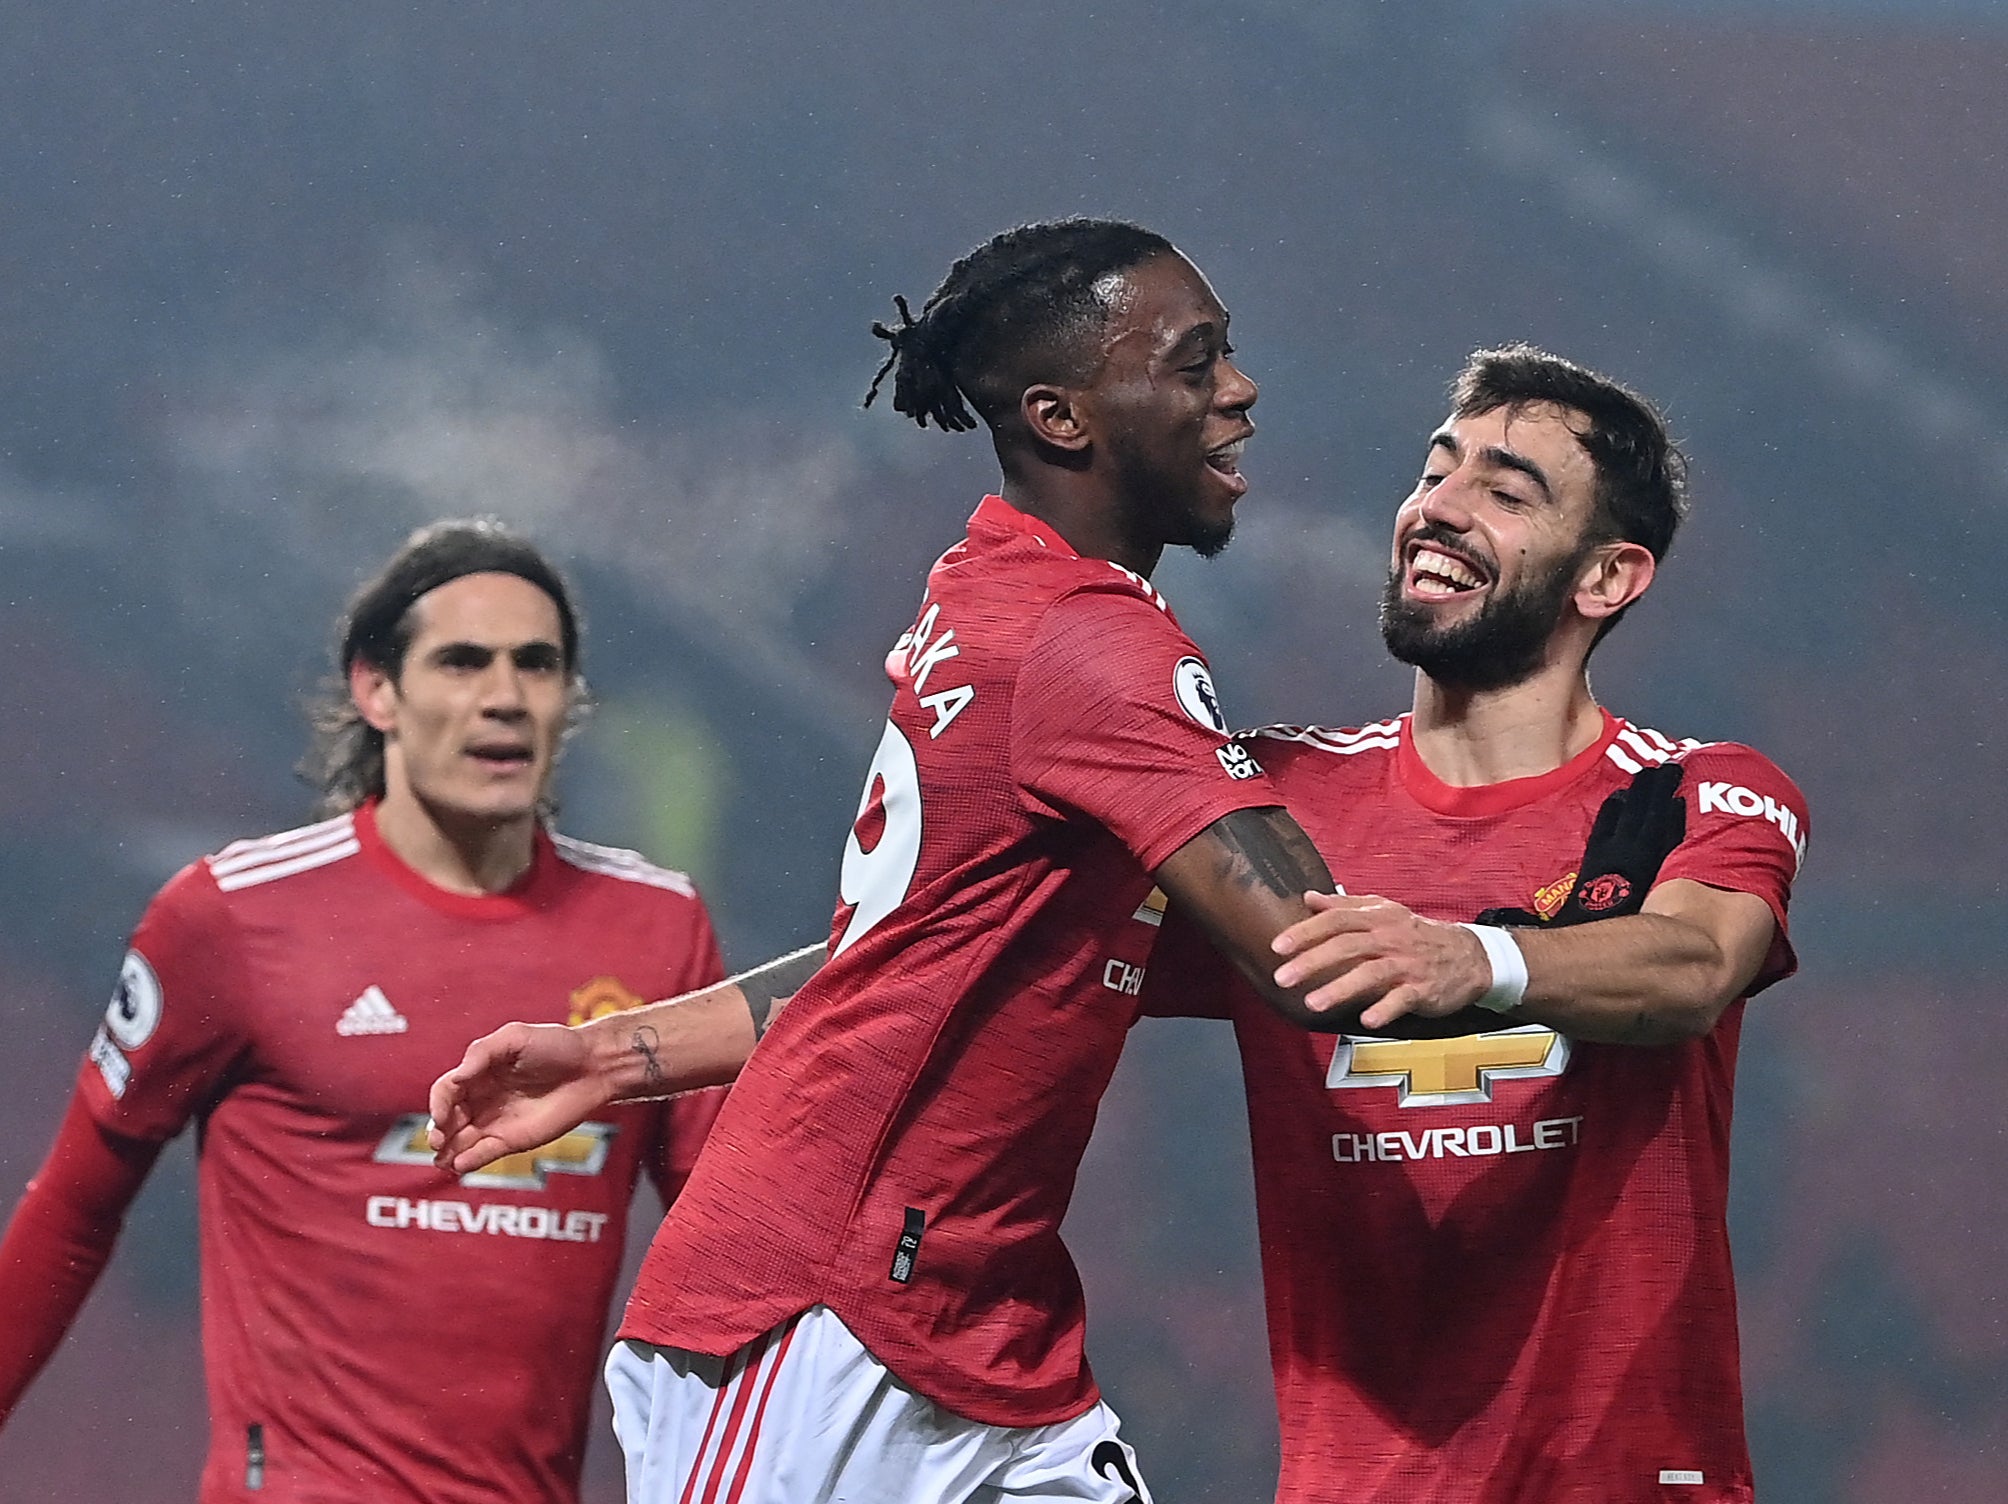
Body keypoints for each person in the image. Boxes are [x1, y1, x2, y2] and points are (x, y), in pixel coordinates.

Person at [428, 219, 1520, 1504]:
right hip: (813, 1321)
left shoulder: (988, 581)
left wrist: (617, 1054)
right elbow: (1303, 952)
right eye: (1193, 362)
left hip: (983, 1327)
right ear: (1062, 417)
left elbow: (903, 949)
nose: (1239, 391)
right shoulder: (1085, 647)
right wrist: (1534, 941)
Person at [1143, 344, 1807, 1503]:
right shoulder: (1266, 800)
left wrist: (1474, 957)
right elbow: (969, 954)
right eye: (1434, 471)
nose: (1435, 510)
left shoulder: (1695, 789)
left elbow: (1696, 964)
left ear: (1607, 578)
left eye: (1504, 494)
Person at [0, 519, 729, 1503]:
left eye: (537, 664)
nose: (504, 696)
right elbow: (75, 1208)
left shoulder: (658, 925)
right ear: (375, 689)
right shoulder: (231, 914)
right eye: (463, 661)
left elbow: (726, 1241)